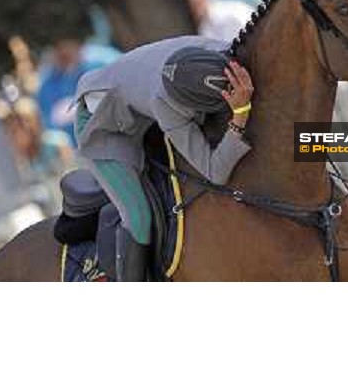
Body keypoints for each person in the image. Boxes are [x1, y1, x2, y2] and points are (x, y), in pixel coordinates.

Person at [75, 36, 254, 281]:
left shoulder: (215, 48)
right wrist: (240, 115)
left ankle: (321, 146)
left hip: (135, 97)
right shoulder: (165, 105)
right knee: (137, 216)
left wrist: (321, 140)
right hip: (102, 126)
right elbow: (215, 173)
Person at [36, 37, 110, 145]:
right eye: (58, 48)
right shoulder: (48, 82)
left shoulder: (100, 62)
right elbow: (47, 121)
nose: (63, 51)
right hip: (74, 150)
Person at [184, 0, 254, 42]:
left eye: (197, 3)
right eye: (192, 6)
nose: (194, 10)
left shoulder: (229, 12)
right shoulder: (203, 29)